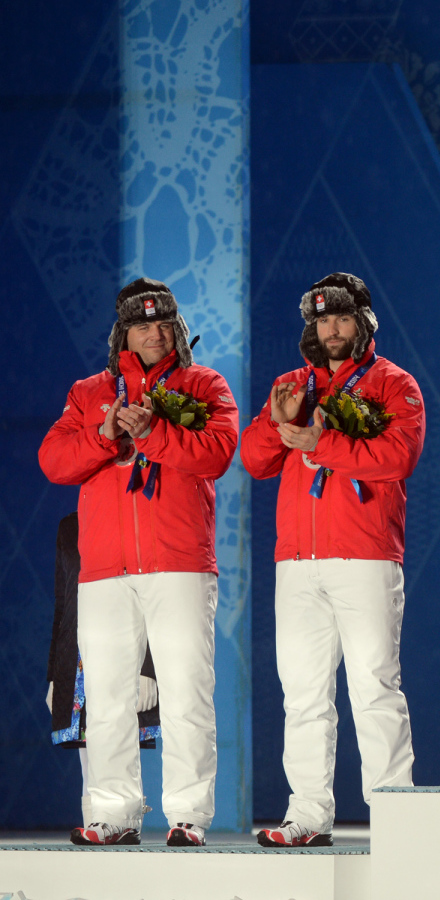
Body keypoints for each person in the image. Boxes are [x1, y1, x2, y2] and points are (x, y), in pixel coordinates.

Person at [38, 277, 238, 847]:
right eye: (141, 324)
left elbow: (218, 454)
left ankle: (188, 816)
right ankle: (114, 812)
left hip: (178, 564)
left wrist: (153, 434)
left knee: (186, 692)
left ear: (176, 326)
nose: (153, 332)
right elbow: (53, 459)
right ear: (122, 332)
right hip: (103, 569)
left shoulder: (204, 386)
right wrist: (103, 439)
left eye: (162, 322)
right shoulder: (88, 392)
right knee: (105, 696)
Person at [240, 272, 426, 848]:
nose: (332, 330)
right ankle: (308, 815)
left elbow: (399, 457)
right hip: (296, 562)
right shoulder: (292, 384)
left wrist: (317, 443)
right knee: (302, 695)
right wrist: (280, 424)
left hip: (364, 556)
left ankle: (395, 817)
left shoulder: (395, 384)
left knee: (373, 686)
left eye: (342, 318)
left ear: (363, 321)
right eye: (322, 320)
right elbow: (253, 459)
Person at [46, 513, 161, 828]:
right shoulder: (69, 525)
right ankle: (96, 825)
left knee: (119, 735)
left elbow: (151, 597)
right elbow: (63, 600)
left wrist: (147, 667)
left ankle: (124, 822)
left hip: (122, 643)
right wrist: (55, 675)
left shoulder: (134, 517)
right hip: (78, 653)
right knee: (87, 743)